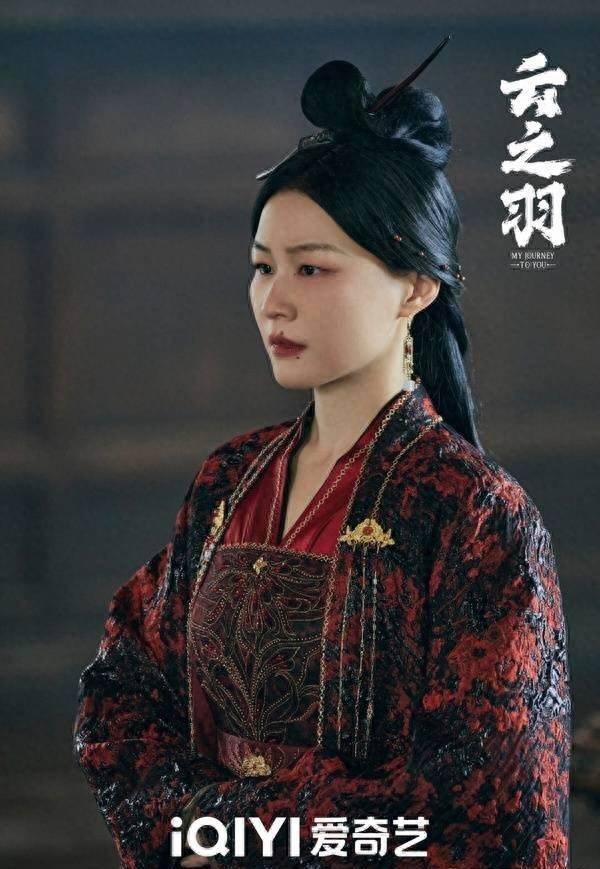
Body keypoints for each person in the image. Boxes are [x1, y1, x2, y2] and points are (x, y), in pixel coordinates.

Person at [73, 36, 571, 869]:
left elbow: (487, 805)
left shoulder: (475, 511)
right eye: (262, 267)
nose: (274, 301)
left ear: (416, 285)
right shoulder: (230, 479)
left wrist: (243, 831)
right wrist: (186, 823)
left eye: (312, 269)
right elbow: (124, 684)